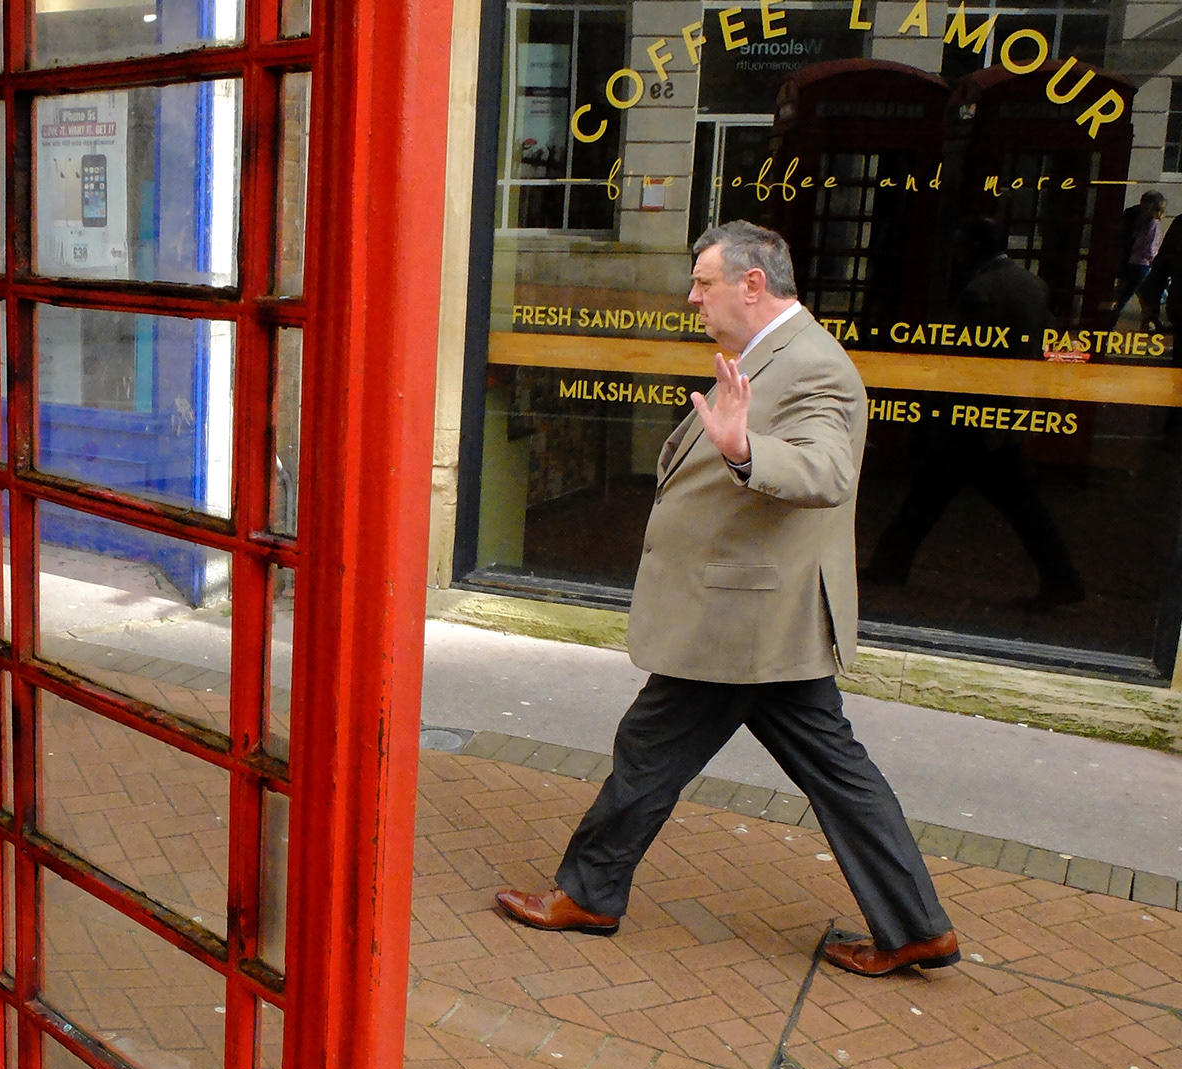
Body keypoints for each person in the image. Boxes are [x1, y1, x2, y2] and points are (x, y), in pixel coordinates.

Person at [494, 221, 958, 977]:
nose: (691, 297)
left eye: (703, 281)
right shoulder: (767, 355)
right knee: (835, 773)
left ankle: (588, 894)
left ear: (752, 283)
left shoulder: (814, 366)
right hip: (761, 621)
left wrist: (745, 452)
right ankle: (915, 925)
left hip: (741, 619)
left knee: (651, 751)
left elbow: (827, 473)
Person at [861, 217, 1083, 611]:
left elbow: (959, 361)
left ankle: (888, 567)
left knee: (932, 497)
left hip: (971, 419)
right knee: (982, 501)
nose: (958, 255)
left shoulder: (980, 290)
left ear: (974, 248)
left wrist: (928, 412)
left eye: (962, 247)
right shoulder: (1031, 283)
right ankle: (1060, 577)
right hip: (1006, 413)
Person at [1117, 191, 1166, 323]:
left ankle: (1149, 322)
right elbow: (1151, 247)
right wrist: (1152, 260)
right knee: (1146, 296)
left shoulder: (1136, 220)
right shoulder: (1154, 224)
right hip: (1144, 264)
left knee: (1125, 293)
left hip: (1131, 261)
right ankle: (1150, 322)